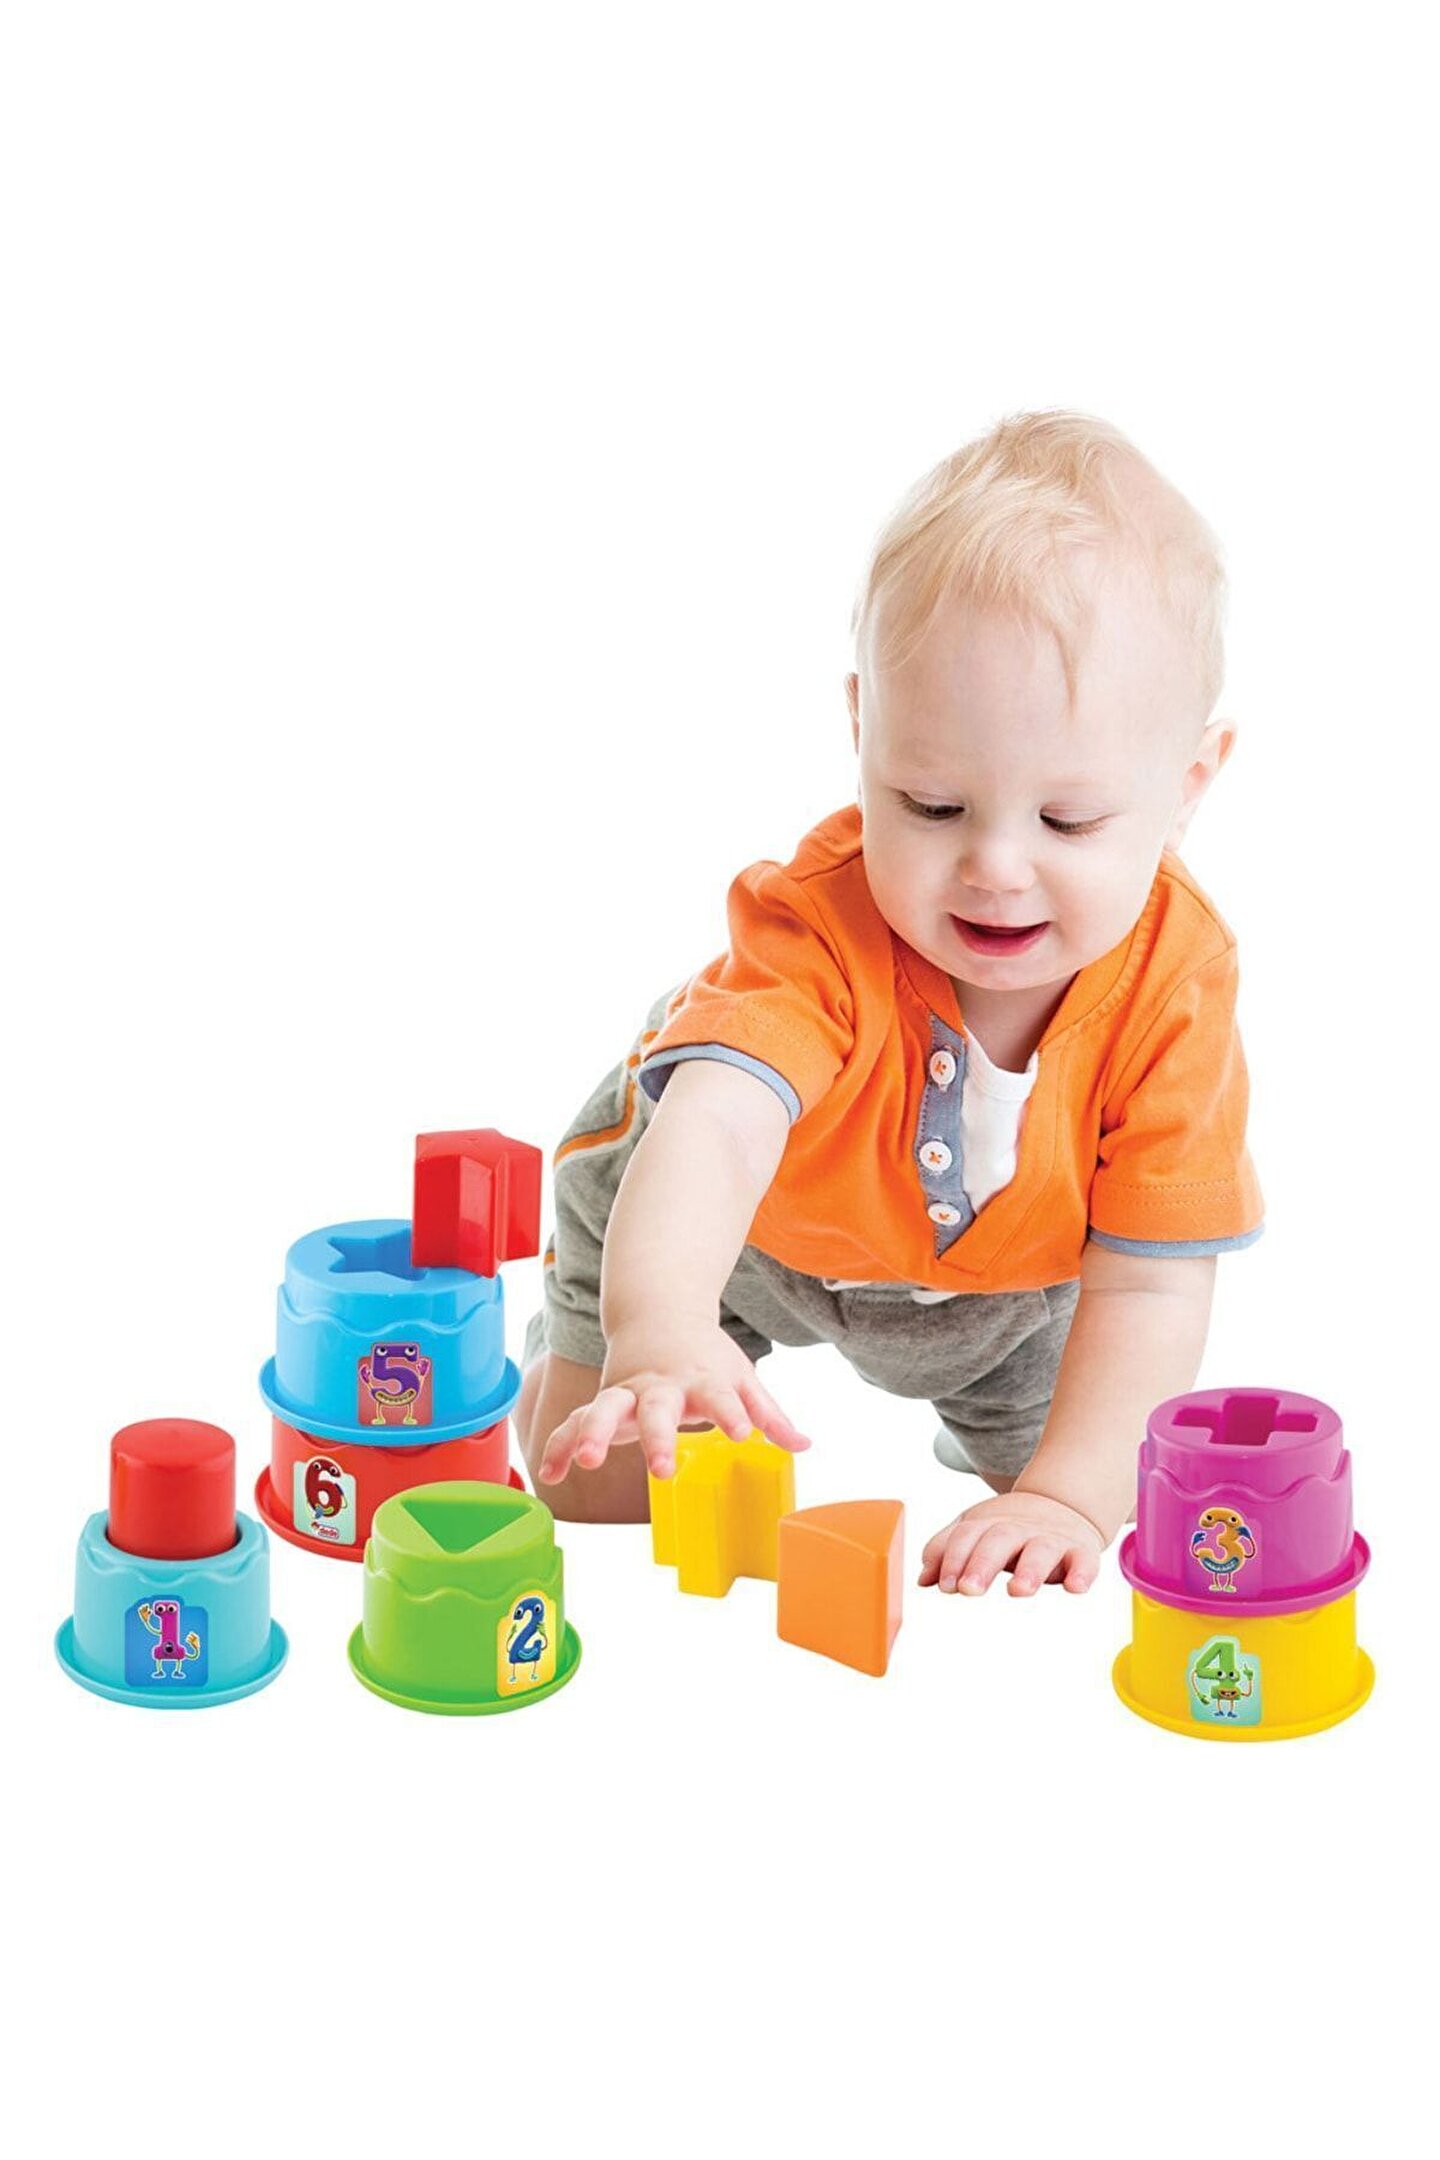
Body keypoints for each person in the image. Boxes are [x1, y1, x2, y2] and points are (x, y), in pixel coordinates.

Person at [516, 410, 1262, 1598]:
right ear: (865, 728)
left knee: (1059, 1518)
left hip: (1003, 1301)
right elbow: (717, 1129)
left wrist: (1067, 1495)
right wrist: (659, 1329)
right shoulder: (819, 920)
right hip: (725, 1235)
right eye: (930, 804)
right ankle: (579, 1342)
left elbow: (1154, 1277)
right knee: (598, 1489)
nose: (996, 867)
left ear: (1188, 786)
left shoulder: (1175, 986)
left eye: (1068, 821)